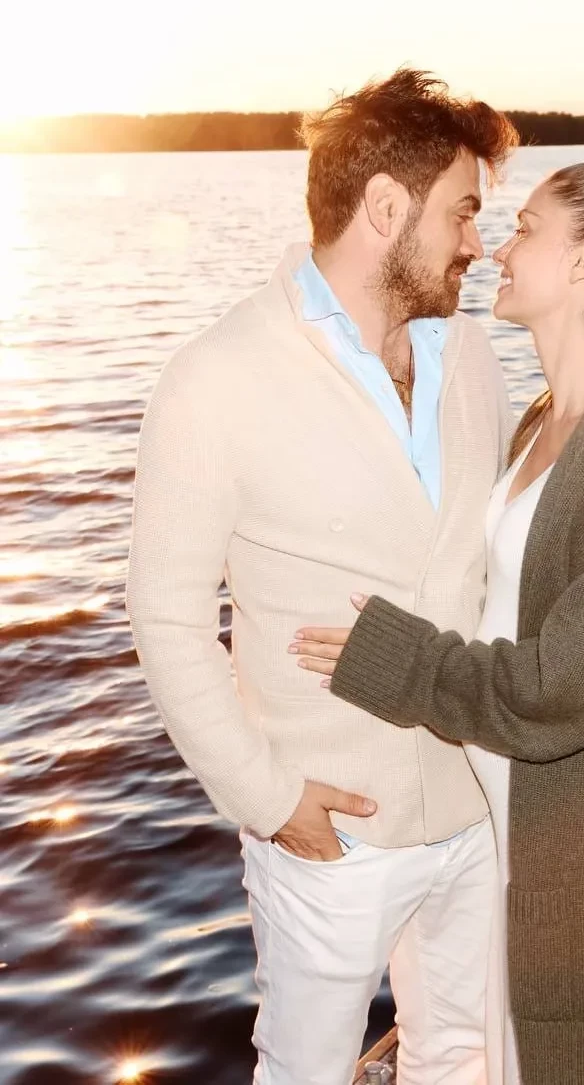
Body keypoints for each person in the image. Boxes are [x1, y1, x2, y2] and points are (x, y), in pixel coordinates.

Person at [291, 162, 584, 1085]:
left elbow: (583, 680)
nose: (498, 246)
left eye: (526, 228)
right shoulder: (546, 418)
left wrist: (403, 663)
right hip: (523, 845)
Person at [126, 69, 519, 1085]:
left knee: (463, 1054)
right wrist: (266, 795)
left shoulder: (472, 354)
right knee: (304, 1071)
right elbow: (167, 618)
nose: (478, 243)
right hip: (329, 830)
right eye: (462, 212)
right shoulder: (216, 377)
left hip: (476, 807)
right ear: (385, 208)